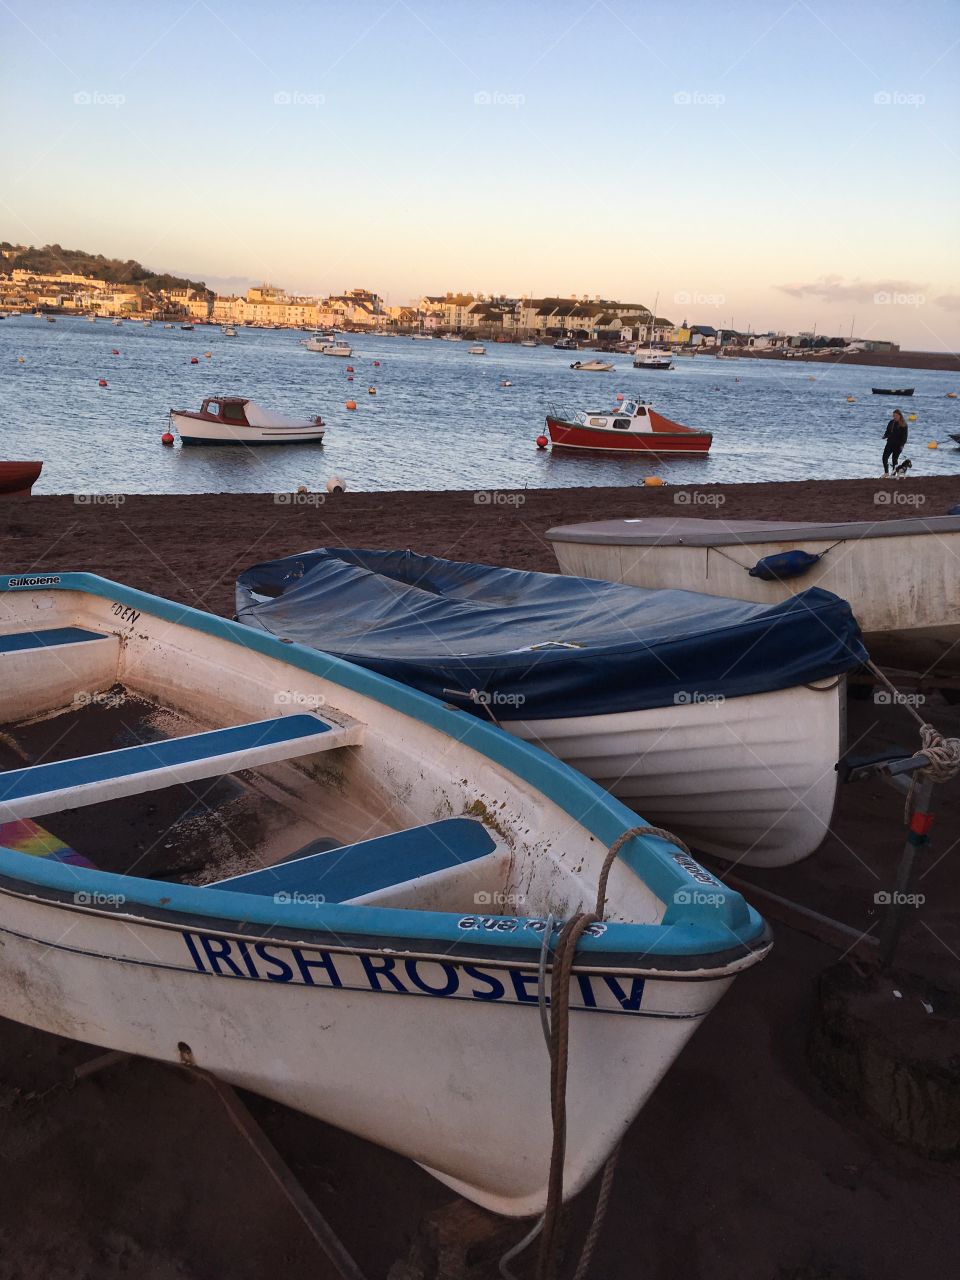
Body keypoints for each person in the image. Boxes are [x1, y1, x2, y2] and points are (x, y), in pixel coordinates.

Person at [882, 409, 908, 474]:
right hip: (890, 443)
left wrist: (902, 445)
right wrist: (885, 436)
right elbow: (887, 431)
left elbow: (904, 437)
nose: (894, 417)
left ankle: (893, 474)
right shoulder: (891, 422)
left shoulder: (904, 425)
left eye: (896, 416)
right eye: (893, 415)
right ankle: (886, 472)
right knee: (884, 458)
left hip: (898, 445)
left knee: (894, 459)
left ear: (900, 416)